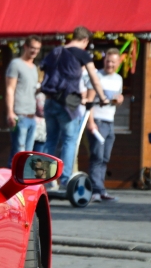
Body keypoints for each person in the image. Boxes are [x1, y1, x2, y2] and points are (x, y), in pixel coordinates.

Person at [40, 26, 110, 188]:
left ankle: (46, 180)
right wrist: (103, 97)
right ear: (85, 40)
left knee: (50, 140)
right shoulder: (81, 53)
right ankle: (65, 179)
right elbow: (94, 77)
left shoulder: (56, 51)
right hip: (67, 102)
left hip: (49, 101)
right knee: (69, 140)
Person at [85, 48, 124, 202]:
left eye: (113, 62)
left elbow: (116, 101)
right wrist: (91, 122)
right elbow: (89, 101)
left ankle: (101, 189)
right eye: (107, 61)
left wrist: (120, 100)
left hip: (110, 121)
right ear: (104, 61)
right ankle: (95, 190)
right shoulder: (97, 77)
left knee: (105, 157)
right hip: (98, 121)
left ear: (118, 62)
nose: (110, 64)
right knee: (97, 156)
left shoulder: (118, 79)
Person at [6, 36, 42, 163]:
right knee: (18, 154)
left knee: (27, 155)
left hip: (32, 115)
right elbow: (10, 88)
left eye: (37, 49)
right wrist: (10, 112)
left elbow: (32, 90)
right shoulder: (16, 64)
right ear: (25, 47)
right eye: (32, 47)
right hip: (19, 114)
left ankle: (22, 182)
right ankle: (13, 181)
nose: (34, 51)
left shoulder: (34, 68)